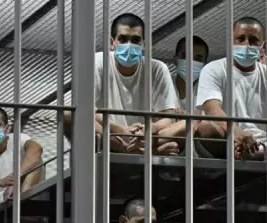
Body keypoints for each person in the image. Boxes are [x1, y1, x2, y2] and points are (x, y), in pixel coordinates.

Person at [63, 13, 180, 155]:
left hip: (145, 137)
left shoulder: (158, 69)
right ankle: (135, 150)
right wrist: (120, 130)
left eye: (135, 40)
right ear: (112, 43)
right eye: (123, 39)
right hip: (109, 138)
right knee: (68, 114)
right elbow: (85, 109)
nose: (129, 45)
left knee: (187, 124)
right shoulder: (97, 62)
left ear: (143, 44)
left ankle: (140, 148)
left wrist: (149, 129)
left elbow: (169, 118)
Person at [194, 17, 267, 161]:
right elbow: (212, 109)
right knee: (206, 128)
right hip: (229, 137)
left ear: (262, 46)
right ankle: (258, 154)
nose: (246, 44)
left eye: (253, 40)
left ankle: (255, 153)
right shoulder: (213, 69)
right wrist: (235, 131)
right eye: (241, 39)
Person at [173, 36, 210, 112]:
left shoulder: (209, 90)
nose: (191, 62)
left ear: (204, 65)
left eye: (198, 59)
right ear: (175, 59)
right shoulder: (162, 84)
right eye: (185, 55)